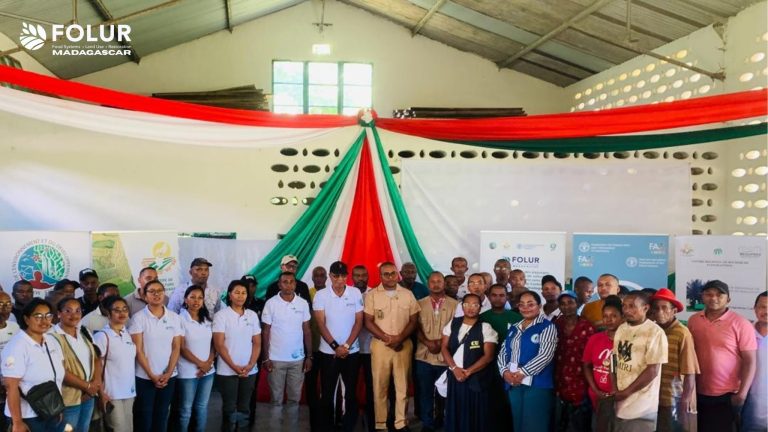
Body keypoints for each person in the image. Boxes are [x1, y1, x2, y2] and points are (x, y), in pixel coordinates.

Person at [688, 280, 757, 432]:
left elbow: (750, 361)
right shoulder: (694, 320)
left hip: (727, 394)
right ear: (702, 297)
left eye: (719, 295)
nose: (714, 298)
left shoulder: (741, 323)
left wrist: (742, 394)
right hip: (697, 391)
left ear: (728, 299)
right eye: (709, 294)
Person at [364, 262, 420, 431]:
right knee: (379, 386)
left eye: (393, 273)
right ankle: (380, 423)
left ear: (398, 275)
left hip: (403, 345)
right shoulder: (372, 295)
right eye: (386, 274)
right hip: (381, 346)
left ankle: (401, 423)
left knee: (403, 386)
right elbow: (368, 321)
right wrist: (387, 339)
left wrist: (399, 338)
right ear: (380, 276)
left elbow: (414, 321)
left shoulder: (408, 294)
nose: (390, 277)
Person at [1, 298, 66, 432]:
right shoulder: (17, 346)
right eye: (38, 316)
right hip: (28, 417)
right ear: (26, 319)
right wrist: (17, 423)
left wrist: (57, 408)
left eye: (48, 315)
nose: (44, 321)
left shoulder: (51, 341)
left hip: (50, 411)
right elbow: (11, 386)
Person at [313, 261, 364, 432]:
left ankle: (348, 426)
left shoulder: (355, 292)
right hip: (328, 353)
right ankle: (327, 426)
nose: (339, 279)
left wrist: (346, 346)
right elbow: (320, 324)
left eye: (343, 276)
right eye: (336, 276)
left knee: (350, 392)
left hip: (351, 351)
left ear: (347, 276)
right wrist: (336, 347)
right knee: (327, 393)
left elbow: (359, 321)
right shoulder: (321, 295)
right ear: (330, 276)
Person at [498, 290, 557, 432]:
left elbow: (545, 355)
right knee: (518, 422)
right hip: (514, 382)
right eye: (522, 304)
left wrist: (522, 373)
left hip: (537, 384)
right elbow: (503, 351)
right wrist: (504, 372)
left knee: (535, 424)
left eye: (530, 304)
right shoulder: (514, 327)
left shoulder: (547, 327)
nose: (525, 308)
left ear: (539, 306)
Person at [129, 280, 183, 432]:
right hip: (145, 377)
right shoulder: (138, 318)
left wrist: (168, 373)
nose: (156, 294)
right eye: (152, 291)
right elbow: (138, 350)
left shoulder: (174, 317)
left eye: (159, 291)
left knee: (161, 416)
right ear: (145, 296)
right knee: (144, 418)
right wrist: (152, 375)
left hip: (168, 377)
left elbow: (176, 347)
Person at [441, 293, 498, 432]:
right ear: (462, 306)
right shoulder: (453, 323)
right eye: (467, 304)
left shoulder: (485, 327)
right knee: (456, 409)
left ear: (480, 307)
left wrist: (468, 372)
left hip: (476, 378)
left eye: (475, 305)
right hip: (455, 376)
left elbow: (488, 356)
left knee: (475, 413)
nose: (471, 308)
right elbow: (444, 348)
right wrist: (454, 369)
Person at [613, 291, 668, 432]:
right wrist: (614, 388)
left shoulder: (655, 332)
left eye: (632, 306)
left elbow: (652, 370)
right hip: (619, 404)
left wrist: (626, 392)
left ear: (645, 308)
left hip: (642, 408)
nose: (626, 310)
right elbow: (614, 359)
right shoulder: (622, 328)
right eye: (624, 306)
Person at [213, 280, 262, 431]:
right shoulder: (221, 315)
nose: (240, 296)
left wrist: (251, 365)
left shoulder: (252, 315)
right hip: (227, 371)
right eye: (237, 293)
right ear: (230, 295)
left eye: (243, 293)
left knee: (244, 407)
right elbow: (219, 345)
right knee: (229, 407)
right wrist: (234, 367)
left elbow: (257, 343)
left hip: (249, 370)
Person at [651, 288, 700, 432]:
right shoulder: (653, 331)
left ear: (674, 311)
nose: (660, 312)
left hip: (673, 398)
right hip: (653, 397)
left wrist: (685, 400)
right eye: (656, 308)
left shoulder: (682, 333)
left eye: (664, 308)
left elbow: (690, 371)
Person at [415, 271, 458, 432]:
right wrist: (427, 342)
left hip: (446, 357)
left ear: (444, 283)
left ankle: (445, 422)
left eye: (439, 281)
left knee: (445, 393)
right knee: (425, 392)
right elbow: (415, 326)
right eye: (432, 282)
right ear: (428, 284)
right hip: (424, 356)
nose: (436, 284)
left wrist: (440, 343)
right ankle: (427, 423)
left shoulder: (456, 305)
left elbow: (457, 328)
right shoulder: (419, 304)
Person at [50, 297, 101, 432]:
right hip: (68, 399)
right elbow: (60, 371)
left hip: (88, 396)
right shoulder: (52, 337)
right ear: (59, 314)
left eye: (78, 311)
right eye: (68, 311)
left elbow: (96, 358)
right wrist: (87, 386)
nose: (74, 315)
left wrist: (95, 385)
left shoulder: (84, 331)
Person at [262, 272, 312, 407]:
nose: (288, 285)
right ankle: (276, 421)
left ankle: (292, 421)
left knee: (294, 400)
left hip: (297, 360)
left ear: (295, 284)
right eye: (285, 282)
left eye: (291, 282)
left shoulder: (302, 303)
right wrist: (266, 358)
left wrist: (309, 356)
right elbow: (265, 332)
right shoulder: (271, 303)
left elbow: (307, 331)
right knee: (276, 400)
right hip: (275, 359)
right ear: (279, 285)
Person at [480, 284, 521, 432]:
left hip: (511, 369)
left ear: (507, 297)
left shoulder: (517, 318)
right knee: (489, 404)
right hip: (487, 368)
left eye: (502, 295)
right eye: (494, 295)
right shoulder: (481, 318)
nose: (498, 298)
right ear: (489, 296)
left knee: (508, 404)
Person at [553, 291, 595, 432]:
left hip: (581, 381)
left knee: (579, 424)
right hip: (559, 380)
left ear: (577, 303)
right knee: (560, 423)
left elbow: (591, 357)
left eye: (570, 302)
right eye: (562, 304)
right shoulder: (555, 325)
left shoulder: (587, 326)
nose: (567, 306)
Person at [93, 296, 136, 432]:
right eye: (117, 310)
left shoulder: (127, 333)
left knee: (129, 428)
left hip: (129, 392)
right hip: (111, 394)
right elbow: (96, 367)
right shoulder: (102, 336)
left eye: (125, 309)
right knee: (118, 428)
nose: (122, 313)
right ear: (108, 313)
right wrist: (101, 393)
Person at [178, 285, 215, 432]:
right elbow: (181, 348)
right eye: (192, 297)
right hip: (187, 372)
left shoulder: (207, 319)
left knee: (202, 406)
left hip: (208, 371)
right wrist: (201, 364)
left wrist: (209, 363)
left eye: (200, 298)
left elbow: (214, 345)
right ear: (185, 299)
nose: (196, 301)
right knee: (185, 409)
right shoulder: (180, 319)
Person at [582, 296, 623, 426]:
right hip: (597, 397)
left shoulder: (627, 341)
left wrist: (616, 392)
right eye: (605, 316)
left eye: (614, 316)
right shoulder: (595, 339)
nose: (609, 320)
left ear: (622, 317)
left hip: (621, 398)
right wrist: (595, 390)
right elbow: (587, 365)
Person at [352, 264, 376, 432]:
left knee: (371, 385)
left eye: (363, 275)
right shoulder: (346, 293)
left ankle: (372, 418)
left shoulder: (374, 294)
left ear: (367, 277)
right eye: (357, 275)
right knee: (350, 384)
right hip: (351, 348)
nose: (360, 278)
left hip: (370, 348)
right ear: (352, 277)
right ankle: (351, 416)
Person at [742, 291, 767, 432]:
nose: (766, 311)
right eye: (762, 307)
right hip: (749, 407)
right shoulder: (745, 332)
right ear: (755, 309)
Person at [306, 266, 326, 432]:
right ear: (312, 278)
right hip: (311, 347)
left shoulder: (331, 294)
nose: (319, 278)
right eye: (316, 275)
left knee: (327, 384)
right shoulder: (307, 294)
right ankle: (314, 420)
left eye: (322, 275)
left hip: (328, 348)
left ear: (326, 278)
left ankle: (328, 417)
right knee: (311, 385)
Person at [0, 291, 20, 431]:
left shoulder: (14, 327)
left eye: (8, 304)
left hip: (11, 385)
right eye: (0, 304)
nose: (5, 308)